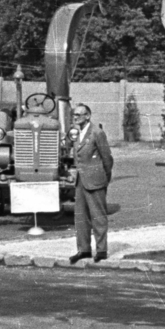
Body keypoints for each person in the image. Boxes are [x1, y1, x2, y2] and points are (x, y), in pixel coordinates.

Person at [68, 103, 114, 263]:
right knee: (80, 217)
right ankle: (84, 249)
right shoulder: (77, 133)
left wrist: (104, 177)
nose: (75, 117)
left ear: (87, 116)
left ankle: (101, 250)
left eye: (78, 115)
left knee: (98, 216)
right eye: (74, 114)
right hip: (81, 181)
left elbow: (107, 158)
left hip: (95, 180)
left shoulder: (97, 133)